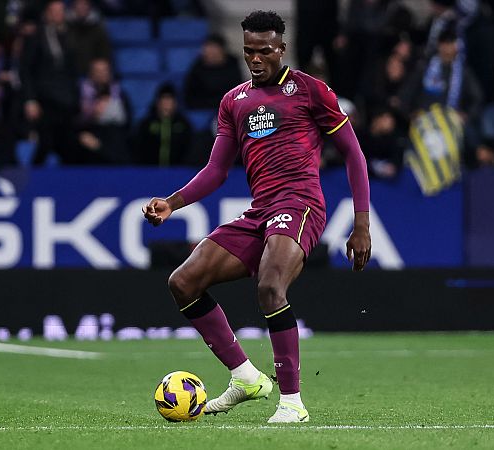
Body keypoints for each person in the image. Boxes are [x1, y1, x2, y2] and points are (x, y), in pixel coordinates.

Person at [142, 11, 371, 423]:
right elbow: (216, 170)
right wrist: (172, 203)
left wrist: (361, 224)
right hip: (260, 210)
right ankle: (245, 377)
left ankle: (292, 403)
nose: (256, 58)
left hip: (300, 204)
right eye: (249, 51)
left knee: (270, 285)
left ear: (281, 48)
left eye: (265, 51)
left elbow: (354, 153)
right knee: (183, 282)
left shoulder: (310, 90)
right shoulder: (234, 101)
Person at [19, 0, 79, 165]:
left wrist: (76, 99)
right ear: (47, 14)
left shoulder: (69, 35)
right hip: (44, 99)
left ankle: (68, 185)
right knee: (45, 143)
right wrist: (30, 99)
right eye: (54, 11)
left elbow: (72, 71)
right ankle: (34, 181)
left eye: (61, 11)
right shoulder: (36, 37)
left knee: (68, 145)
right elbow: (25, 70)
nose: (58, 15)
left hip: (66, 101)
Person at [133, 83, 192, 166]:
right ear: (158, 102)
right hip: (149, 172)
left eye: (169, 100)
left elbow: (189, 151)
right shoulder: (146, 125)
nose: (166, 104)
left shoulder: (183, 125)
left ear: (175, 103)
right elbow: (138, 149)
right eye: (164, 100)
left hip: (177, 172)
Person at [183, 34, 243, 110]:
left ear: (222, 50)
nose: (209, 52)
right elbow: (190, 95)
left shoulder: (232, 65)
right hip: (204, 108)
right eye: (207, 48)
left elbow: (237, 91)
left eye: (214, 48)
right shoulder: (198, 67)